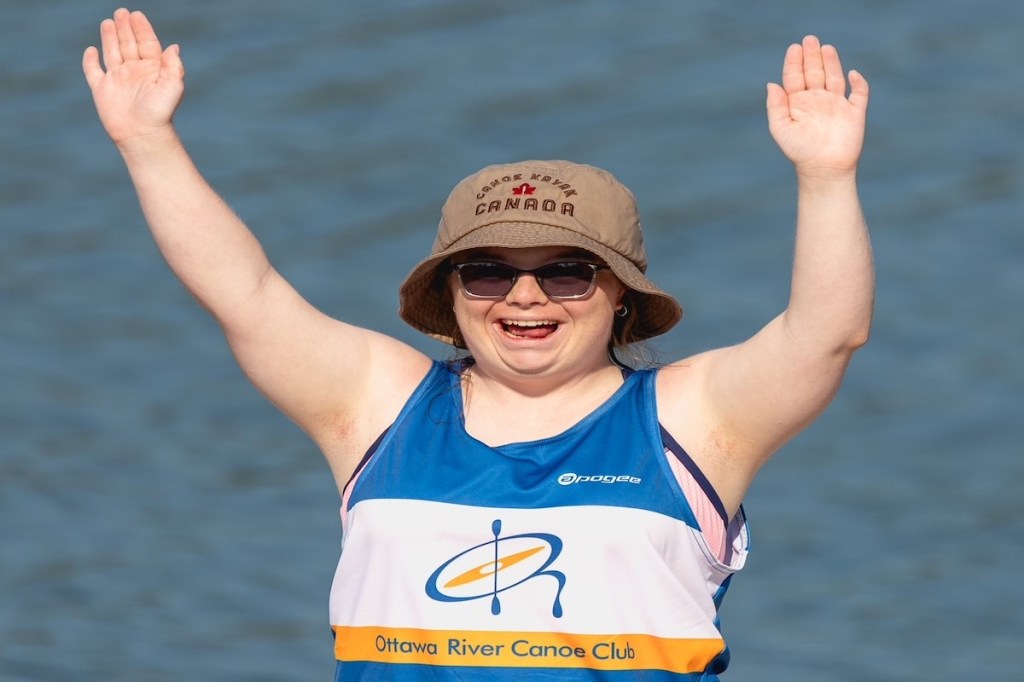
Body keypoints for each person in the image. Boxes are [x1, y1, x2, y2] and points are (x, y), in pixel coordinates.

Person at [84, 8, 872, 681]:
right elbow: (246, 295)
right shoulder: (376, 406)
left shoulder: (692, 421)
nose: (525, 296)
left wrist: (827, 178)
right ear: (451, 294)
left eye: (566, 272)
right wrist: (147, 141)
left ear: (622, 294)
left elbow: (827, 337)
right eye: (488, 272)